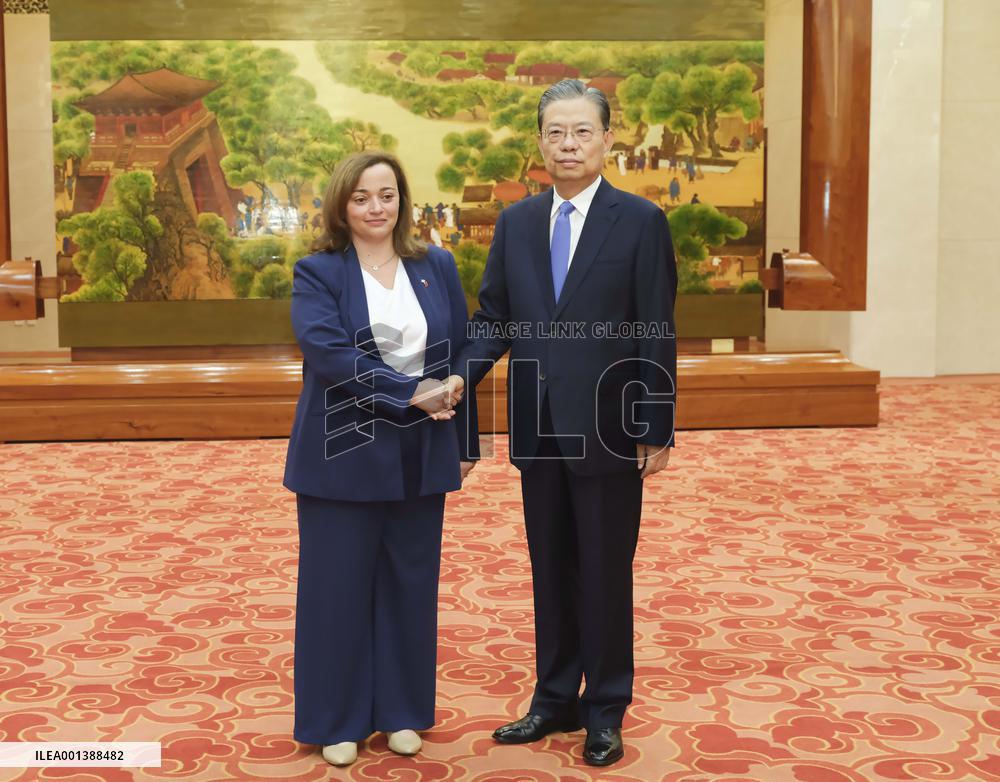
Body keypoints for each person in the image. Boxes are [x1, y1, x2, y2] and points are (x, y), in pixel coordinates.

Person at [454, 80, 677, 767]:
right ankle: (553, 698)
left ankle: (605, 707)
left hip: (610, 422)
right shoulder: (519, 223)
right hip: (538, 423)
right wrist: (463, 374)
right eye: (556, 133)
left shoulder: (639, 221)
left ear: (609, 139)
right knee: (549, 565)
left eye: (583, 132)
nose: (569, 145)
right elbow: (495, 314)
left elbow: (655, 326)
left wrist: (656, 423)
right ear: (540, 142)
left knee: (606, 568)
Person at [283, 151, 478, 768]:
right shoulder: (318, 272)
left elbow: (462, 353)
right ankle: (337, 719)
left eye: (387, 195)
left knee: (409, 586)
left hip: (423, 451)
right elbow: (330, 354)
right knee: (336, 591)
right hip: (343, 453)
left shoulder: (435, 265)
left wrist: (463, 440)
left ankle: (400, 711)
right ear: (342, 205)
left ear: (404, 200)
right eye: (362, 197)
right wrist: (409, 395)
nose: (376, 208)